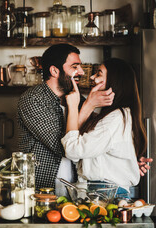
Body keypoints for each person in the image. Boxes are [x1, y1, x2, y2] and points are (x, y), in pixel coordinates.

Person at [17, 43, 115, 193]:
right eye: (75, 67)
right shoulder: (33, 99)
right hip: (41, 190)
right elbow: (64, 147)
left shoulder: (78, 99)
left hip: (75, 188)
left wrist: (127, 158)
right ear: (55, 71)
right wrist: (88, 106)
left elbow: (97, 138)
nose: (82, 72)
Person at [61, 58, 150, 197]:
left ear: (114, 83)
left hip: (105, 193)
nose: (91, 77)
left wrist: (73, 106)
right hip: (105, 191)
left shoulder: (114, 119)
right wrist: (87, 106)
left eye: (98, 74)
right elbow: (80, 154)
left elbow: (73, 150)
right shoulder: (117, 116)